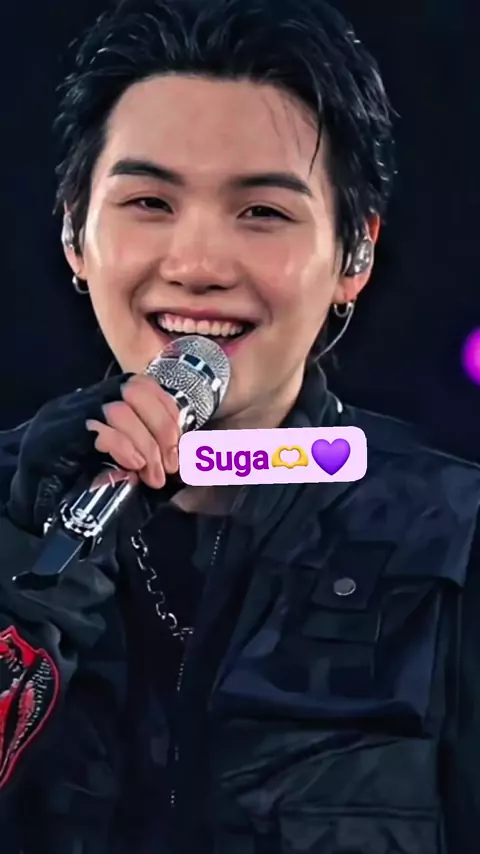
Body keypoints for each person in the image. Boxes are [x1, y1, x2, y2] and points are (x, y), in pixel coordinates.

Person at [0, 0, 479, 852]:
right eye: (149, 201)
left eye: (262, 212)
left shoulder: (456, 536)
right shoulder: (10, 505)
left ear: (355, 255)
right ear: (75, 232)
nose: (198, 266)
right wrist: (27, 576)